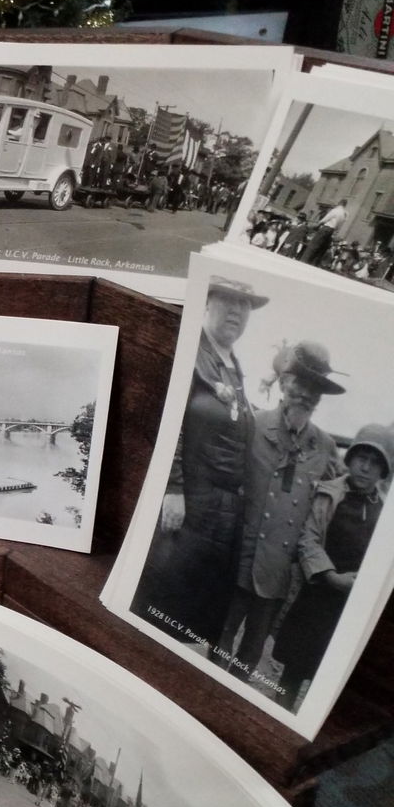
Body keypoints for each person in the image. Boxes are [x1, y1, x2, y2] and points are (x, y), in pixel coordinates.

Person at [131, 277, 265, 649]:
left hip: (220, 513)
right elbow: (170, 419)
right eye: (229, 300)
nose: (237, 311)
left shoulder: (234, 367)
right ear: (208, 302)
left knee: (195, 613)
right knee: (164, 596)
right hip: (189, 500)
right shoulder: (192, 351)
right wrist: (172, 488)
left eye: (245, 305)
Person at [218, 341, 346, 678]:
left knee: (252, 649)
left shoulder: (325, 446)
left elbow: (342, 488)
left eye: (314, 390)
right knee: (220, 635)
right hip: (240, 556)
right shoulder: (255, 425)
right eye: (301, 384)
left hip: (278, 571)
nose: (306, 395)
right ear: (285, 382)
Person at [269, 424, 392, 708]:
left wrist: (365, 582)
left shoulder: (384, 512)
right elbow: (308, 538)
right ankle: (277, 711)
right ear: (350, 459)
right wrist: (331, 576)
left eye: (375, 463)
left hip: (350, 606)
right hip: (318, 596)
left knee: (330, 672)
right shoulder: (329, 494)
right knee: (296, 667)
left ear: (383, 472)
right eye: (362, 458)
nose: (366, 468)